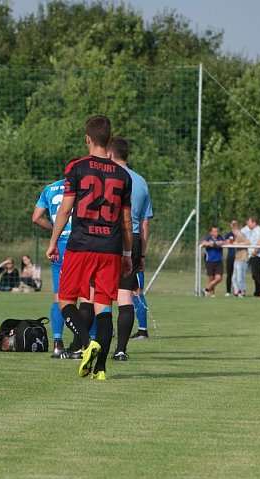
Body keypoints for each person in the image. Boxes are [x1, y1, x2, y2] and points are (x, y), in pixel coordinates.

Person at [46, 115, 132, 381]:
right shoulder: (122, 175)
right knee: (104, 307)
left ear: (87, 139)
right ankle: (101, 369)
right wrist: (128, 254)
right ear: (109, 139)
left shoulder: (77, 168)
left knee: (65, 300)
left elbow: (65, 209)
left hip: (81, 244)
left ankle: (86, 342)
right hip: (110, 247)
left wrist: (53, 242)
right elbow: (126, 220)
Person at [109, 136, 153, 358]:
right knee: (129, 293)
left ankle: (93, 343)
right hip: (134, 238)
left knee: (99, 293)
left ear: (110, 153)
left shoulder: (108, 176)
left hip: (108, 236)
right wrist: (142, 253)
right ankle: (122, 349)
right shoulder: (142, 181)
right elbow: (145, 222)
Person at [32, 174, 73, 357]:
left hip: (59, 245)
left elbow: (36, 217)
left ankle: (57, 342)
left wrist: (55, 228)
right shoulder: (82, 187)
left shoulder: (49, 188)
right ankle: (87, 341)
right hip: (79, 244)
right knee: (89, 295)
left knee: (59, 296)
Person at [241, 215, 260, 297]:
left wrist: (254, 253)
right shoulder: (252, 230)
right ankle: (259, 290)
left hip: (256, 255)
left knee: (256, 274)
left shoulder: (259, 231)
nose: (248, 224)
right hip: (251, 254)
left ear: (254, 222)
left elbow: (259, 243)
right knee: (254, 274)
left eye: (250, 222)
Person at [200, 225, 226, 297]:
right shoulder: (208, 238)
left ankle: (205, 289)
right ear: (211, 232)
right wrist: (211, 244)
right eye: (214, 231)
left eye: (217, 231)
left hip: (219, 261)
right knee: (211, 279)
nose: (216, 233)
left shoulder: (220, 237)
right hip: (210, 261)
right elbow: (203, 243)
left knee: (219, 278)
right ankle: (212, 295)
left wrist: (221, 243)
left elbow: (226, 241)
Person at [229, 220, 250, 297]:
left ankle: (242, 291)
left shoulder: (240, 235)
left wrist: (239, 244)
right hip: (237, 258)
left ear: (235, 230)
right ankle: (236, 291)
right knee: (234, 278)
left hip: (242, 258)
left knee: (239, 278)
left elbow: (248, 242)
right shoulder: (236, 237)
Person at [223, 218, 238, 296]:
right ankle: (228, 291)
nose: (234, 225)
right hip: (231, 256)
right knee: (229, 274)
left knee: (238, 275)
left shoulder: (240, 234)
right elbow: (225, 241)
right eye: (233, 224)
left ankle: (237, 291)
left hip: (238, 257)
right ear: (231, 225)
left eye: (236, 224)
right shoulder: (228, 235)